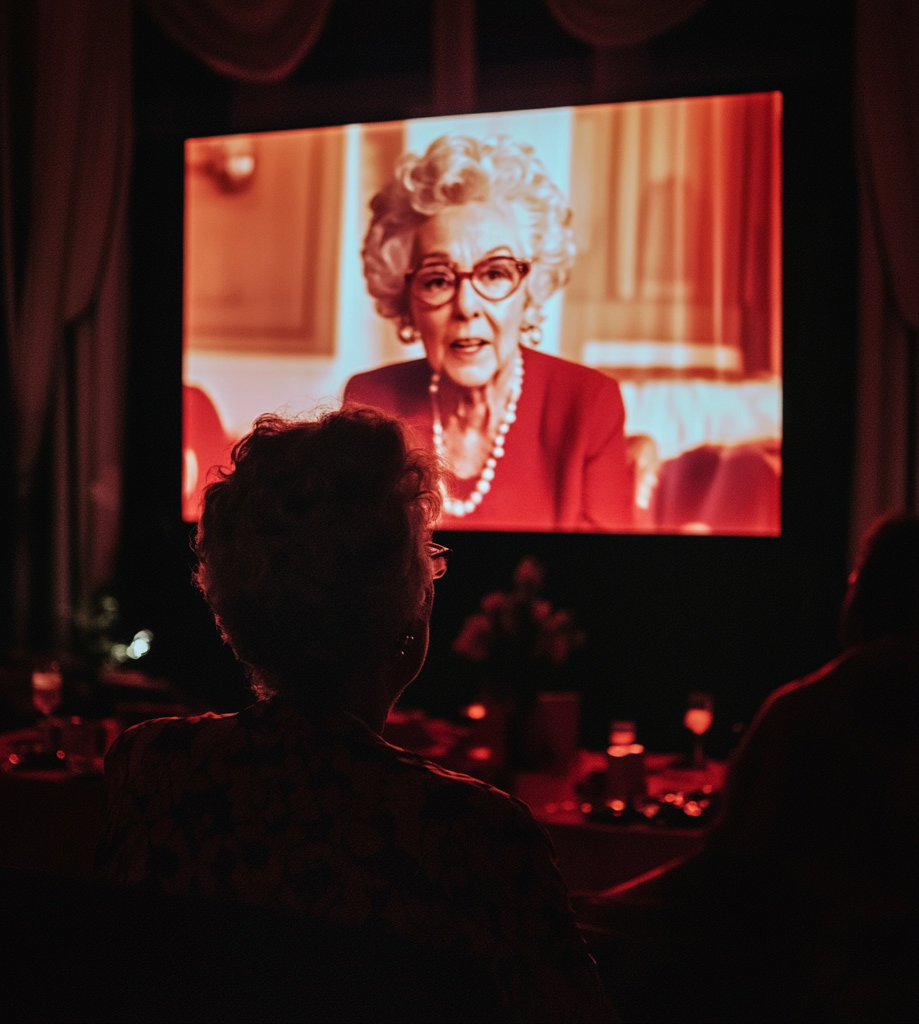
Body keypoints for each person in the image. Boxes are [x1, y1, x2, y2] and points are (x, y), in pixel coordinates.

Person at [97, 407, 611, 1023]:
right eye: (426, 556)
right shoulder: (472, 831)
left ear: (232, 611)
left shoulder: (150, 768)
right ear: (407, 614)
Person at [586, 515, 919, 1022]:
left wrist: (582, 914)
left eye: (855, 580)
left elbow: (726, 870)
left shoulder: (813, 711)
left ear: (876, 595)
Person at [345, 135, 632, 532]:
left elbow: (610, 579)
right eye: (437, 280)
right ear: (406, 297)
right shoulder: (370, 405)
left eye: (494, 273)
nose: (466, 306)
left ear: (531, 288)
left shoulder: (588, 406)